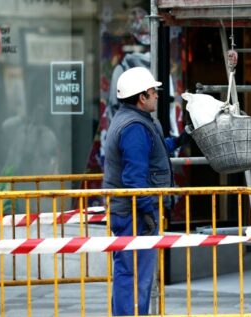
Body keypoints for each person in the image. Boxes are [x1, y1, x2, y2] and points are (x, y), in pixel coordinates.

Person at [103, 67, 184, 316]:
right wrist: (147, 211)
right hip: (134, 213)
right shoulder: (134, 128)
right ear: (141, 97)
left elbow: (157, 149)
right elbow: (135, 179)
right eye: (153, 92)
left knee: (130, 271)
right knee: (134, 272)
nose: (157, 96)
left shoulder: (133, 121)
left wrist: (182, 139)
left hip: (130, 211)